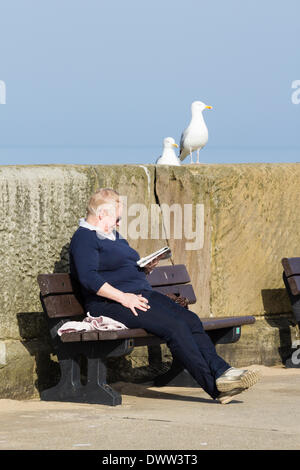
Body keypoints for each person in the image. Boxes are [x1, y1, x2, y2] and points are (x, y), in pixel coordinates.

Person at [69, 188, 260, 404]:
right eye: (118, 218)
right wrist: (124, 298)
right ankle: (215, 387)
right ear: (102, 213)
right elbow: (89, 278)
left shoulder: (112, 236)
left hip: (139, 295)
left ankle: (222, 372)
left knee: (189, 319)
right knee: (173, 327)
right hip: (111, 303)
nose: (120, 223)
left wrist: (145, 268)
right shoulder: (84, 238)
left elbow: (120, 268)